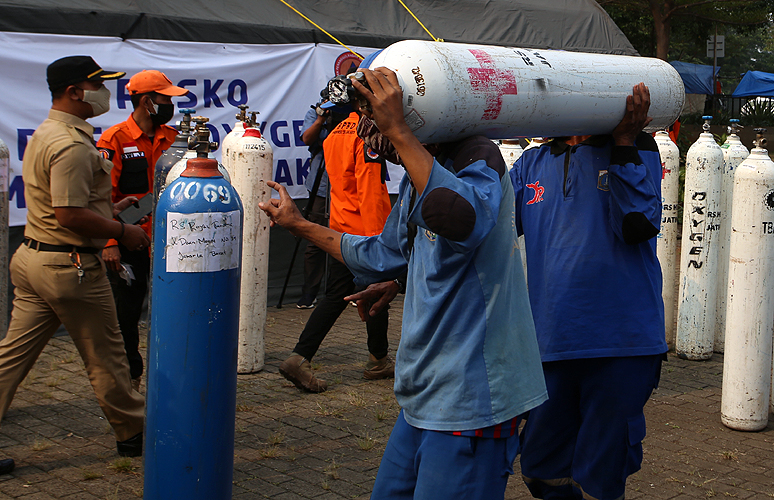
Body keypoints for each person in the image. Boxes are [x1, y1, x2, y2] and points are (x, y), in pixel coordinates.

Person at [260, 65, 547, 499]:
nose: (370, 131)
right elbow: (383, 252)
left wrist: (397, 130)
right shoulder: (420, 177)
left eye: (376, 115)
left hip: (472, 402)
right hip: (423, 397)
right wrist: (300, 225)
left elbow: (460, 220)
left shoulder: (477, 155)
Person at [509, 83, 668, 500]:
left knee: (600, 474)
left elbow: (637, 226)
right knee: (541, 468)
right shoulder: (532, 163)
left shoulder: (640, 150)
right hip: (551, 345)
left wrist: (623, 142)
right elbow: (486, 226)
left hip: (621, 345)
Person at [0, 56, 151, 465]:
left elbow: (62, 204)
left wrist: (110, 208)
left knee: (11, 357)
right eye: (97, 84)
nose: (104, 92)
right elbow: (67, 214)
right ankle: (135, 431)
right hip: (70, 268)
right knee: (107, 356)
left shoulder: (49, 133)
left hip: (35, 259)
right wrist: (122, 231)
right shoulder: (68, 143)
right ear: (73, 92)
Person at [277, 103, 394, 393]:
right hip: (364, 230)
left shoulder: (334, 134)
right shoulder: (365, 134)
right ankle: (373, 359)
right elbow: (369, 189)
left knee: (340, 295)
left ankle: (377, 358)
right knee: (372, 294)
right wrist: (378, 240)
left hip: (340, 226)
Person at [97, 70, 188, 390]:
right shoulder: (114, 139)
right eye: (166, 99)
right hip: (128, 241)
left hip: (169, 240)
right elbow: (102, 197)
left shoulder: (175, 138)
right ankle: (130, 377)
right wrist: (109, 242)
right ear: (147, 102)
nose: (170, 105)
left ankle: (174, 371)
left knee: (175, 306)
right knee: (127, 314)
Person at [295, 89, 334, 309]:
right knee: (315, 240)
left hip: (347, 186)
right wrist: (322, 118)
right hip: (320, 186)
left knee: (349, 234)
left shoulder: (353, 115)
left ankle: (349, 288)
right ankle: (309, 293)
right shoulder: (317, 111)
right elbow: (307, 138)